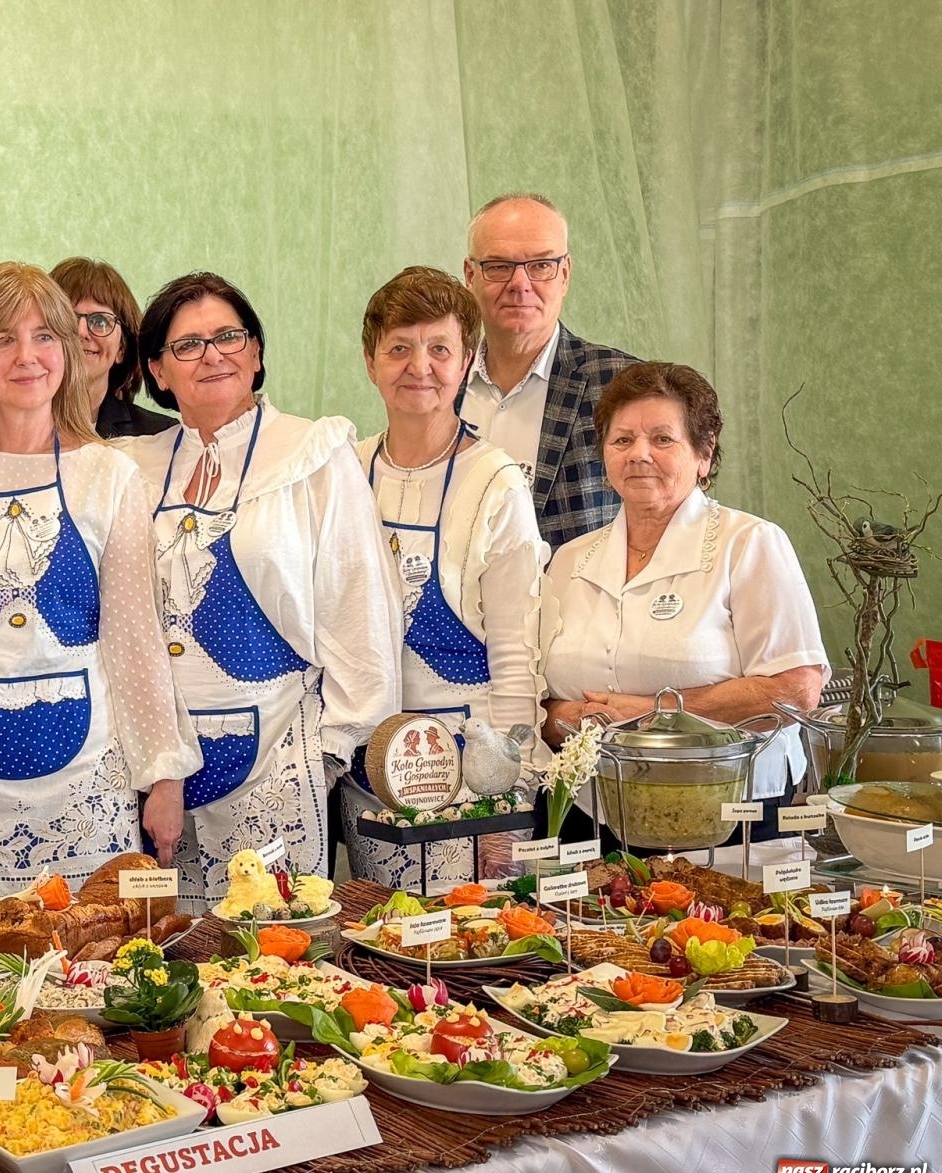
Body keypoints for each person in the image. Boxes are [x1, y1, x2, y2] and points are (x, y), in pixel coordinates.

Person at [0, 263, 197, 896]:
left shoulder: (108, 476)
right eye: (3, 338)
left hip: (90, 784)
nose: (27, 356)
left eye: (44, 336)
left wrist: (163, 777)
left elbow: (134, 640)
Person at [121, 272, 400, 905]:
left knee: (272, 954)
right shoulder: (132, 468)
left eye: (228, 336)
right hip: (158, 768)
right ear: (158, 372)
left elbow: (360, 607)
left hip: (278, 757)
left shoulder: (312, 453)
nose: (213, 354)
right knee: (165, 955)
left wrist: (330, 754)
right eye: (187, 344)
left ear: (256, 352)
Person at [542, 362, 828, 842]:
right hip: (590, 812)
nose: (639, 455)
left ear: (704, 452)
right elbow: (540, 698)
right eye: (623, 440)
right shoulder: (568, 561)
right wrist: (561, 718)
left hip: (727, 818)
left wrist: (650, 715)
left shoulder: (750, 543)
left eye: (662, 439)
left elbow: (797, 689)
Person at [339, 267, 549, 889]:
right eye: (399, 348)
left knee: (473, 951)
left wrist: (509, 803)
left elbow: (516, 650)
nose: (418, 366)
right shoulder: (345, 474)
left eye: (439, 349)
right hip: (368, 773)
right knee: (378, 947)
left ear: (466, 361)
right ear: (371, 361)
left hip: (469, 772)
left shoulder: (495, 479)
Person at [462, 194, 638, 551]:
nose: (520, 283)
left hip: (581, 605)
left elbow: (669, 520)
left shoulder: (624, 385)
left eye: (541, 265)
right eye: (498, 265)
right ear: (470, 275)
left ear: (565, 274)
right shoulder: (440, 384)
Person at [50, 257, 176, 438]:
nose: (81, 331)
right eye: (67, 318)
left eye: (100, 321)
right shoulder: (6, 428)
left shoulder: (158, 436)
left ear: (121, 348)